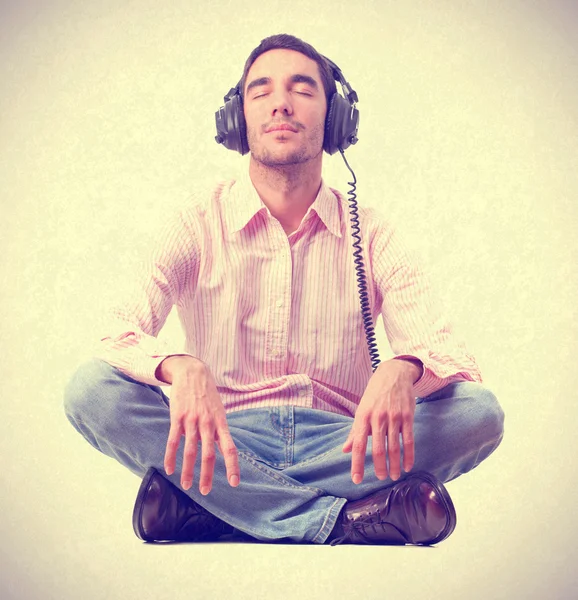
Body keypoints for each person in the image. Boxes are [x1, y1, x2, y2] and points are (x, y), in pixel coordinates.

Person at [63, 33, 505, 546]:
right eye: (260, 91)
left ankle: (217, 510)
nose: (280, 103)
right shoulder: (194, 221)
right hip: (224, 440)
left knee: (478, 412)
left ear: (335, 118)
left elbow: (455, 357)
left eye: (302, 88)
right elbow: (114, 333)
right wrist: (177, 366)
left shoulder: (373, 231)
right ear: (238, 120)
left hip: (344, 446)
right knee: (90, 391)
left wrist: (404, 369)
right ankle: (347, 520)